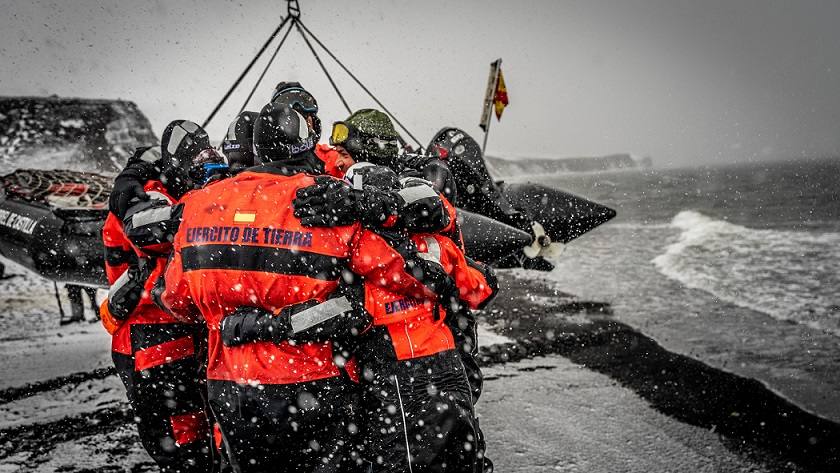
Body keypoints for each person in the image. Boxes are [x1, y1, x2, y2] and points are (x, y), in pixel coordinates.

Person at [158, 104, 447, 473]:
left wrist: (235, 311)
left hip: (230, 389)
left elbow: (177, 300)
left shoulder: (198, 205)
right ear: (306, 146)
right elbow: (407, 276)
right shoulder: (323, 201)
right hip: (310, 385)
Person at [99, 120, 217, 473]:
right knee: (178, 436)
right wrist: (204, 206)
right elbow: (151, 233)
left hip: (177, 326)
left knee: (197, 423)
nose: (204, 167)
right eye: (196, 159)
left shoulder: (155, 190)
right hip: (148, 332)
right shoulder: (146, 200)